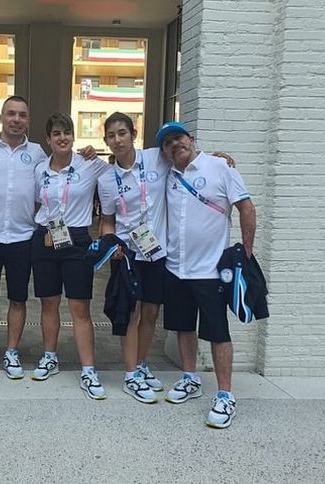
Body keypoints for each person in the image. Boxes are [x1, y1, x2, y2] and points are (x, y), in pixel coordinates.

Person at [157, 121, 256, 429]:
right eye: (168, 142)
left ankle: (225, 394)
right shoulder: (168, 175)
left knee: (217, 333)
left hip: (211, 270)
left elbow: (247, 208)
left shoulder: (219, 167)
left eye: (179, 138)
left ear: (191, 139)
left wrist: (246, 254)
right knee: (183, 328)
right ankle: (190, 378)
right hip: (176, 268)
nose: (175, 144)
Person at [31, 112, 111, 399]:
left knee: (79, 308)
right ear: (48, 139)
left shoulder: (90, 165)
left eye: (66, 132)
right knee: (48, 304)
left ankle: (88, 369)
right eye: (56, 133)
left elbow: (128, 162)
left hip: (76, 240)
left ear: (73, 136)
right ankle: (49, 357)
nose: (62, 137)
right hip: (46, 238)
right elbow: (35, 201)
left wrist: (204, 155)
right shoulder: (40, 168)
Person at [0, 96, 48, 379]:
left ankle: (12, 351)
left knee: (18, 299)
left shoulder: (39, 152)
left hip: (22, 237)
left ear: (28, 120)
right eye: (11, 114)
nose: (16, 120)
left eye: (22, 115)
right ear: (1, 117)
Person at [97, 112, 170, 404]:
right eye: (112, 135)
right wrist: (110, 244)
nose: (118, 140)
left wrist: (218, 158)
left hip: (157, 251)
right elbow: (107, 219)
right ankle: (130, 375)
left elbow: (186, 156)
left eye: (122, 133)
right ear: (106, 140)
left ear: (133, 133)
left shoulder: (156, 159)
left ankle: (141, 365)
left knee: (151, 313)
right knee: (131, 314)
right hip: (127, 254)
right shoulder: (106, 179)